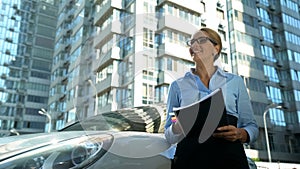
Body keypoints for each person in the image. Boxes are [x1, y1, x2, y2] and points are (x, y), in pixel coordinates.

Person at [164, 27, 259, 169]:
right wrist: (178, 126)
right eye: (192, 42)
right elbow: (169, 135)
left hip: (230, 160)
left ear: (216, 48)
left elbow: (251, 127)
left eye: (201, 40)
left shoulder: (235, 82)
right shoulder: (177, 86)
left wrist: (241, 133)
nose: (194, 45)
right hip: (189, 160)